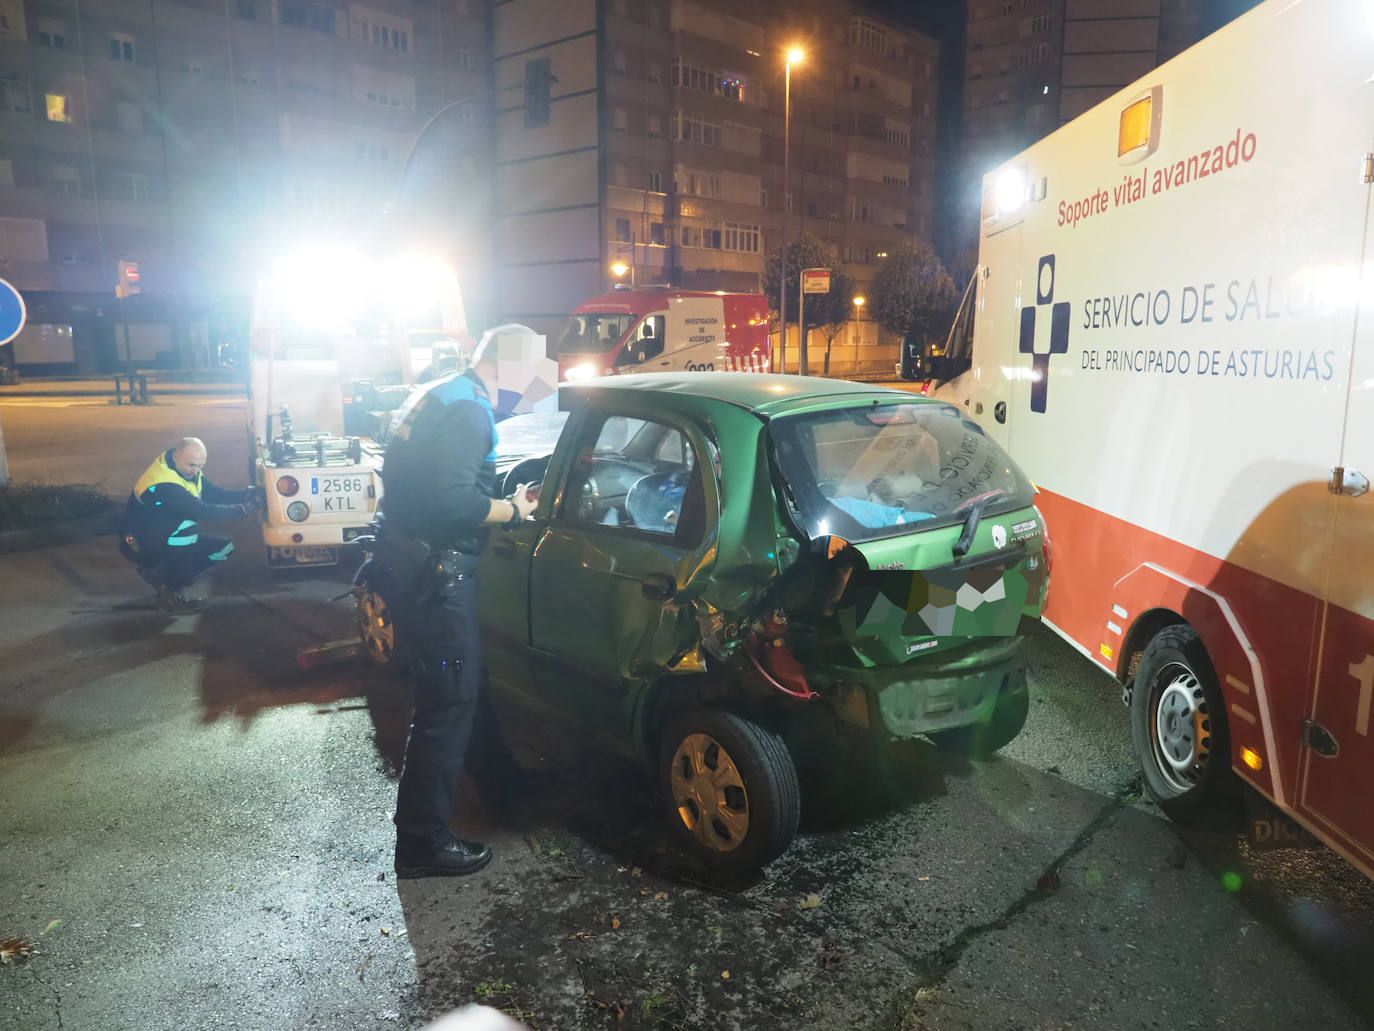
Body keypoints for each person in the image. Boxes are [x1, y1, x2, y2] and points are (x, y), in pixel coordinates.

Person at [378, 334, 537, 879]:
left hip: (410, 560)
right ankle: (422, 841)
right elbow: (453, 499)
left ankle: (500, 782)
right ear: (511, 364)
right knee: (448, 697)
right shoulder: (471, 411)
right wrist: (513, 510)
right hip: (439, 575)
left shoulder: (439, 394)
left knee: (463, 686)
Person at [119, 436, 256, 612]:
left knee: (224, 548)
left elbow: (215, 493)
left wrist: (248, 495)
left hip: (165, 534)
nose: (196, 471)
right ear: (176, 456)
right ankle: (168, 589)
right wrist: (244, 510)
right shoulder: (163, 482)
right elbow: (203, 510)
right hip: (140, 543)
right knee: (188, 529)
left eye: (200, 466)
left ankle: (165, 578)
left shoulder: (183, 468)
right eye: (192, 465)